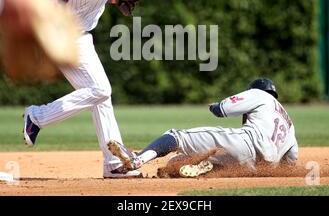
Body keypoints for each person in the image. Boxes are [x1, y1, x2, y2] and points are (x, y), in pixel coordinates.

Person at [22, 0, 184, 179]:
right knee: (100, 90)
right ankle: (37, 116)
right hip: (69, 40)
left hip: (65, 36)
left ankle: (114, 164)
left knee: (101, 98)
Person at [108, 78, 299, 177]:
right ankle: (202, 167)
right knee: (177, 162)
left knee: (176, 136)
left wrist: (215, 106)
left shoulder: (259, 94)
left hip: (245, 142)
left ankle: (137, 159)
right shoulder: (289, 124)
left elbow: (223, 109)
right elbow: (291, 161)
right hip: (252, 166)